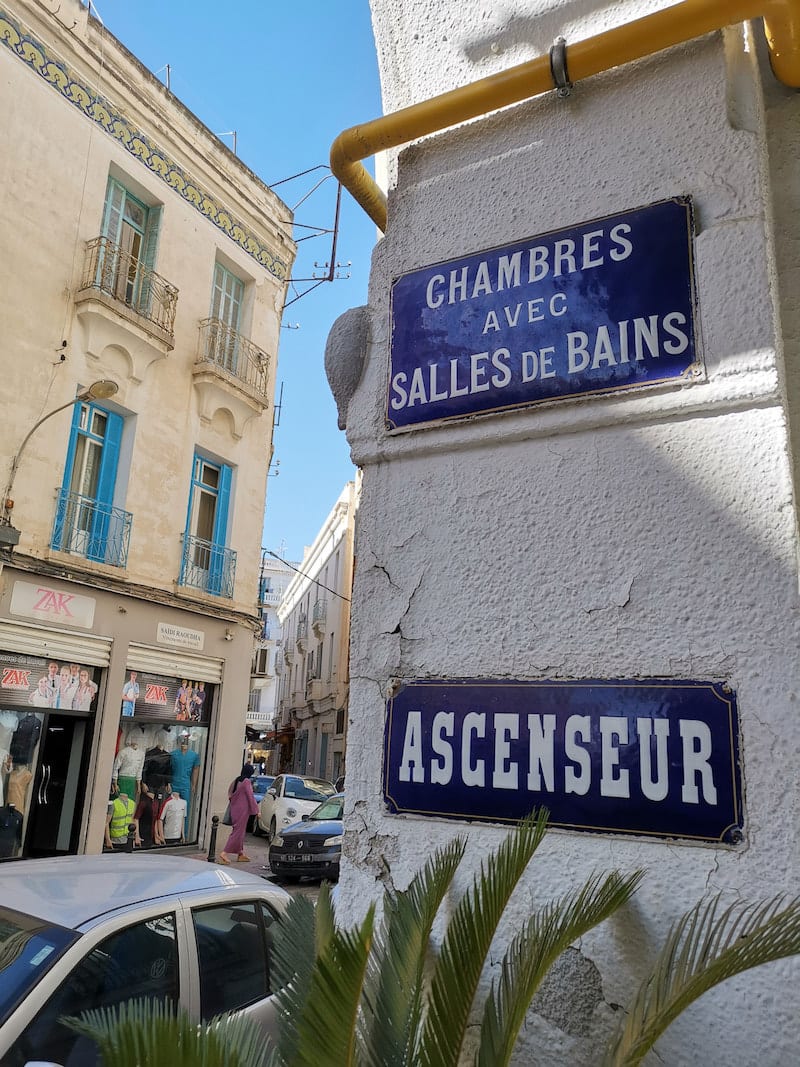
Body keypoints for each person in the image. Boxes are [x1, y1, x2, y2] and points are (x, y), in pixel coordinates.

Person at [218, 763, 259, 865]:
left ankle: (240, 853)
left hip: (234, 809)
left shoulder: (237, 780)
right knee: (237, 832)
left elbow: (230, 793)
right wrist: (257, 811)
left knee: (239, 831)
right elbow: (251, 797)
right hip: (243, 810)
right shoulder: (246, 782)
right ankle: (224, 853)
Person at [169, 734, 200, 835]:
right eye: (182, 741)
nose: (184, 743)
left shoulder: (194, 755)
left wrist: (194, 784)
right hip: (174, 782)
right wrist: (168, 783)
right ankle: (170, 832)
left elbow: (195, 770)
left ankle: (184, 834)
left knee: (185, 809)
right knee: (172, 808)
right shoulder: (173, 754)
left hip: (186, 784)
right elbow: (168, 770)